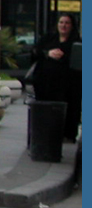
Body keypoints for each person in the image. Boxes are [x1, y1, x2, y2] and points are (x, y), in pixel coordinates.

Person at [31, 12, 81, 141]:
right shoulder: (48, 38)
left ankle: (67, 134)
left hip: (68, 84)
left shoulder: (76, 42)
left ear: (72, 26)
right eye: (61, 22)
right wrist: (48, 53)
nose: (64, 26)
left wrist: (63, 57)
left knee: (69, 109)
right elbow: (35, 52)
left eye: (67, 23)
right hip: (45, 82)